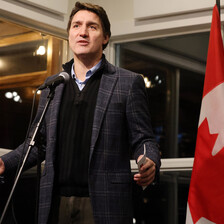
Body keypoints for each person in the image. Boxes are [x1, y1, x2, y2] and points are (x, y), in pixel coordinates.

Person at [0, 2, 161, 224]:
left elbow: (143, 138)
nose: (83, 32)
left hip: (104, 203)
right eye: (76, 25)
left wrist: (148, 158)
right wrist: (4, 163)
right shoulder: (53, 85)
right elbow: (37, 145)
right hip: (55, 203)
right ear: (69, 34)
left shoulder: (127, 82)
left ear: (105, 37)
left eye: (92, 27)